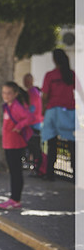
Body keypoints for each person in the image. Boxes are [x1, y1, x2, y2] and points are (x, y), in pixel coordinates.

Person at [40, 48, 75, 181]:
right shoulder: (71, 74)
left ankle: (50, 173)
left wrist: (43, 109)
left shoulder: (50, 75)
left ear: (54, 60)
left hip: (53, 112)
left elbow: (45, 95)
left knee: (52, 144)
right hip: (69, 112)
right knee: (71, 144)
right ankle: (75, 173)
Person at [0, 81, 34, 210]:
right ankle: (13, 198)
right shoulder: (8, 106)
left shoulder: (16, 106)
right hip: (9, 144)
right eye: (4, 93)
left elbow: (29, 118)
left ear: (15, 94)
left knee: (16, 173)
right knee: (13, 172)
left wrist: (18, 127)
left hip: (16, 144)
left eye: (9, 93)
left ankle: (15, 199)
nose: (6, 95)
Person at [23, 72, 44, 175]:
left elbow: (31, 108)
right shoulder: (35, 91)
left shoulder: (31, 92)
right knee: (34, 148)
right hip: (36, 122)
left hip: (33, 123)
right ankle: (35, 168)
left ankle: (37, 168)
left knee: (34, 148)